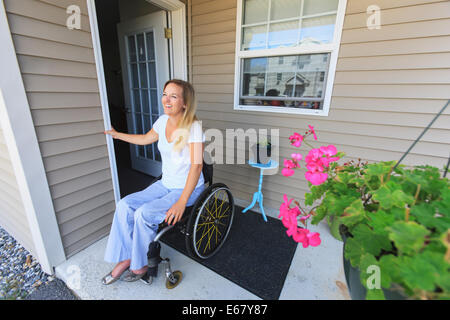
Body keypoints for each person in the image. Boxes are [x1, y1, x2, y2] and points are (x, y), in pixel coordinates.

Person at [101, 79, 205, 285]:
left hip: (187, 188)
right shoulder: (161, 121)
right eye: (165, 94)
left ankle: (140, 264)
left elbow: (196, 166)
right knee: (124, 205)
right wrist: (116, 135)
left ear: (185, 103)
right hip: (165, 183)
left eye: (173, 96)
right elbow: (144, 139)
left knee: (144, 213)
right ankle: (127, 256)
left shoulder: (193, 127)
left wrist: (182, 201)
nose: (166, 99)